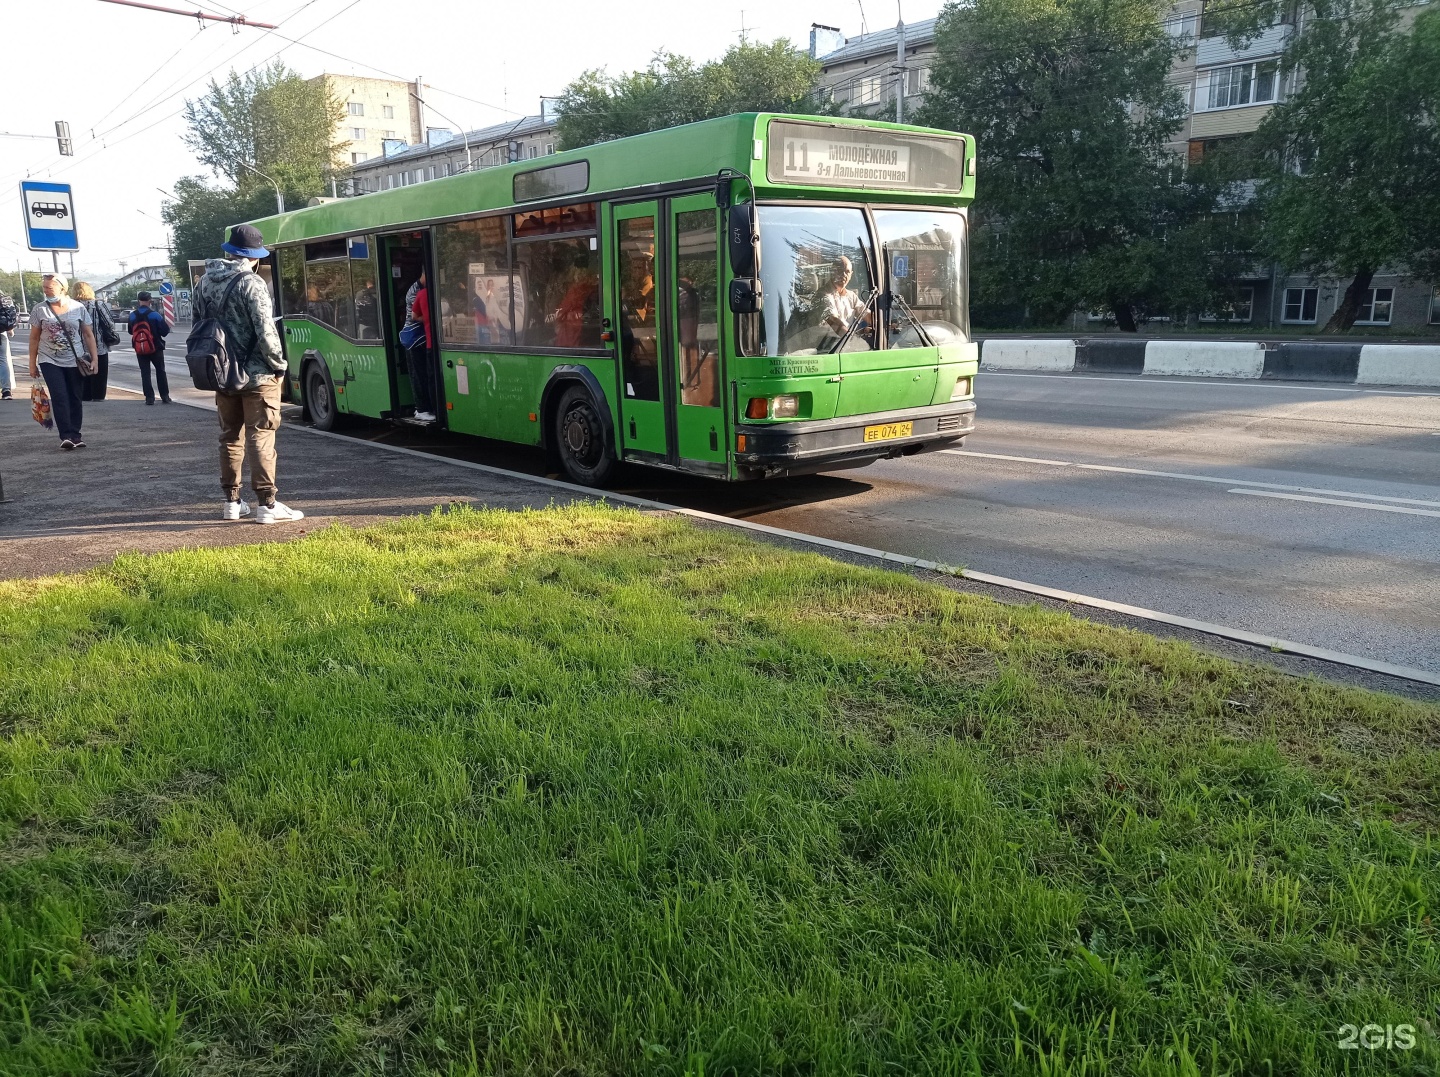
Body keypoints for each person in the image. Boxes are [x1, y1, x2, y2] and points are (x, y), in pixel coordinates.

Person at [193, 224, 303, 524]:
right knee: (261, 436)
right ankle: (267, 505)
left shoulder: (203, 283)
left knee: (230, 436)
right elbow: (266, 332)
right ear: (254, 257)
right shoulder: (252, 284)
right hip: (257, 375)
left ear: (228, 251)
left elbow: (197, 326)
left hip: (222, 373)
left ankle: (231, 502)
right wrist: (279, 366)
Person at [27, 271, 99, 450]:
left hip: (75, 360)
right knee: (60, 396)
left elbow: (88, 335)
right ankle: (65, 436)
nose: (46, 291)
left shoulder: (78, 308)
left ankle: (76, 435)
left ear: (62, 287)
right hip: (49, 359)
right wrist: (32, 363)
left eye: (49, 287)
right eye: (44, 287)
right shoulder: (39, 309)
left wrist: (95, 359)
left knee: (75, 397)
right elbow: (34, 338)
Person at [73, 282, 118, 400]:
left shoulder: (71, 306)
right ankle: (98, 398)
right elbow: (109, 322)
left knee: (82, 372)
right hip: (99, 346)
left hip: (78, 347)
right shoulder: (97, 304)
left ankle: (85, 397)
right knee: (100, 374)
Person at [127, 291, 172, 404]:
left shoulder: (132, 315)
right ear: (150, 301)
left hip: (140, 348)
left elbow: (130, 331)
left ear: (139, 301)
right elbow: (165, 331)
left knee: (145, 372)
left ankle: (149, 398)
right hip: (155, 347)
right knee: (160, 371)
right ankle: (165, 396)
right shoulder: (155, 315)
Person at [407, 270, 436, 422]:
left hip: (424, 339)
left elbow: (416, 315)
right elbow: (413, 317)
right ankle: (422, 408)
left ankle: (427, 407)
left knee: (428, 375)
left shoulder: (422, 292)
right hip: (415, 339)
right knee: (420, 374)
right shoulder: (416, 291)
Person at [821, 256, 869, 336]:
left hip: (844, 343)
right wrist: (853, 340)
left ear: (851, 274)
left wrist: (883, 325)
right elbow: (835, 323)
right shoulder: (823, 295)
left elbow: (866, 314)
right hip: (825, 346)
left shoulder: (851, 296)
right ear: (832, 272)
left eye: (847, 272)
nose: (843, 275)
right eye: (840, 271)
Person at [0, 288, 17, 400]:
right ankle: (6, 391)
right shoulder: (3, 297)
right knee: (3, 360)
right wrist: (9, 328)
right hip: (2, 332)